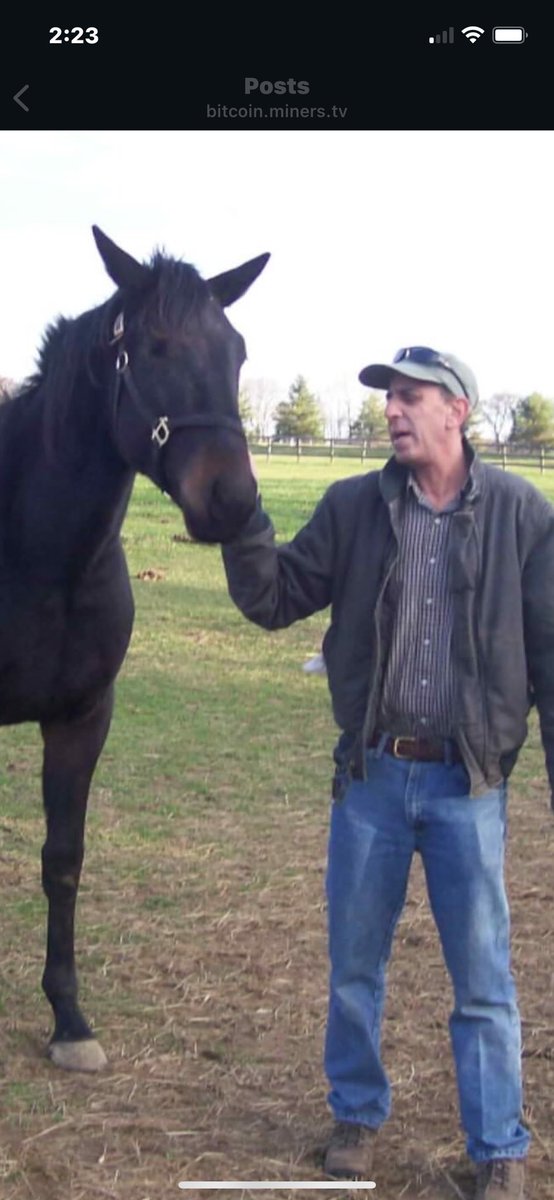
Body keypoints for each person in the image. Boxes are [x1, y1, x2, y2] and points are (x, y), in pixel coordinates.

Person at [221, 346, 554, 1199]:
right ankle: (357, 1115)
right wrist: (239, 514)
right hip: (371, 780)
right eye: (387, 401)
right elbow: (273, 597)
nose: (393, 413)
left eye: (411, 398)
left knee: (484, 978)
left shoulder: (523, 514)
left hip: (467, 786)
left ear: (458, 413)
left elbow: (550, 655)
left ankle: (497, 1148)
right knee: (354, 967)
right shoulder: (354, 507)